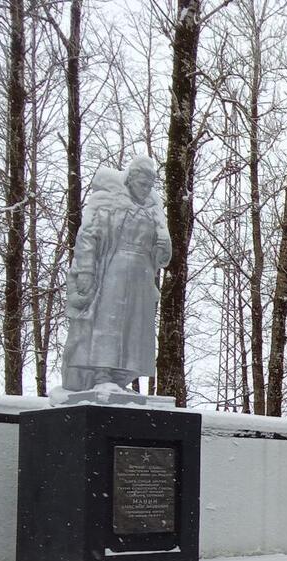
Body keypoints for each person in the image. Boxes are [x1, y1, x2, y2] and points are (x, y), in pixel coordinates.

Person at [62, 156, 172, 393]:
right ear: (130, 180)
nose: (146, 189)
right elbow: (88, 237)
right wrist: (86, 270)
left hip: (142, 275)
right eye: (142, 184)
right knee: (109, 322)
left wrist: (163, 246)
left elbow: (161, 257)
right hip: (114, 270)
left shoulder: (153, 212)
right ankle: (102, 372)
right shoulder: (108, 203)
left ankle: (121, 376)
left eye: (149, 186)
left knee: (135, 327)